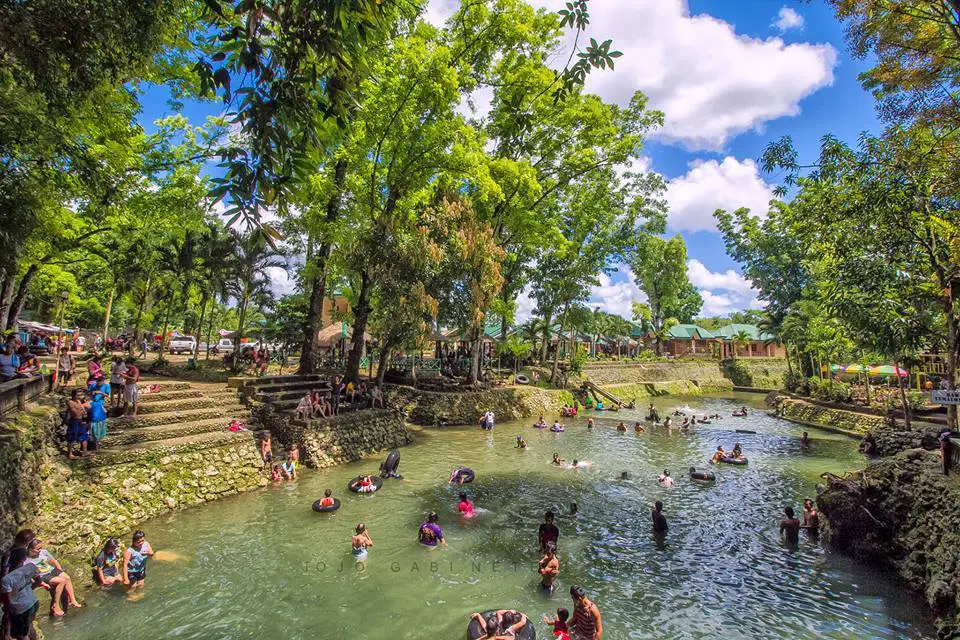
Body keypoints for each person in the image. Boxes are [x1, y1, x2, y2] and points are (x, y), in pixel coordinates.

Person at [26, 539, 80, 616]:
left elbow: (54, 561)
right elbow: (29, 576)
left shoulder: (43, 552)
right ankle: (56, 605)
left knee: (67, 577)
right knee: (61, 581)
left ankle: (73, 600)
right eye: (38, 549)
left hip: (51, 570)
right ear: (31, 549)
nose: (40, 550)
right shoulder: (27, 560)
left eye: (41, 547)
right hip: (42, 575)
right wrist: (42, 584)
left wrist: (60, 570)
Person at [1, 547, 39, 640]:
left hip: (21, 608)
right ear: (24, 558)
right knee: (29, 627)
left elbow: (7, 599)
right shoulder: (31, 566)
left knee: (22, 635)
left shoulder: (7, 579)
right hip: (33, 602)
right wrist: (28, 587)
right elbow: (39, 581)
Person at [65, 389, 90, 460]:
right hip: (74, 421)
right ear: (73, 395)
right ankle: (70, 454)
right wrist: (82, 408)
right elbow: (75, 413)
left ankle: (85, 451)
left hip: (81, 421)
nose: (79, 397)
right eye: (78, 395)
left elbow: (86, 410)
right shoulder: (70, 402)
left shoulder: (79, 401)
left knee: (84, 435)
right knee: (71, 437)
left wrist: (83, 410)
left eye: (80, 395)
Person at [88, 375, 110, 451]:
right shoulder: (93, 385)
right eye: (98, 381)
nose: (99, 383)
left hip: (101, 403)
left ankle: (97, 441)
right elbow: (89, 393)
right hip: (93, 403)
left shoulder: (106, 386)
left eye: (100, 381)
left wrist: (100, 392)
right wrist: (93, 393)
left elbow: (107, 395)